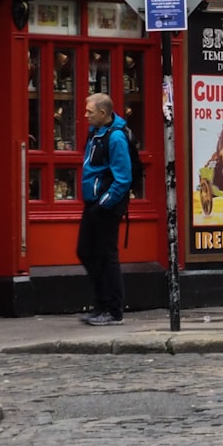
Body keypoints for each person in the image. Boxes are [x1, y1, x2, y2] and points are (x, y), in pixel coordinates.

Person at [77, 93, 132, 326]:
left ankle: (114, 310)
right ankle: (101, 304)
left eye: (89, 111)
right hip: (93, 203)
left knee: (107, 256)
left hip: (106, 205)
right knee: (86, 251)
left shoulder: (116, 137)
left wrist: (103, 203)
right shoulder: (96, 134)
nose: (85, 114)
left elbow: (123, 178)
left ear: (102, 113)